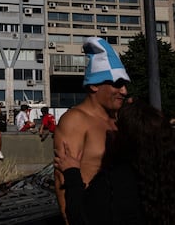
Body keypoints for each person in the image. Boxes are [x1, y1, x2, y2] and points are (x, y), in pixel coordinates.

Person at [54, 99, 175, 224]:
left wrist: (72, 173)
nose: (111, 132)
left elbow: (81, 217)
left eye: (118, 130)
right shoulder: (166, 172)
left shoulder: (114, 182)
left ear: (128, 140)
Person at [53, 36, 130, 224]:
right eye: (117, 84)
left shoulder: (119, 120)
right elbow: (62, 180)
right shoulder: (75, 120)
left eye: (125, 84)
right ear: (94, 85)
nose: (124, 91)